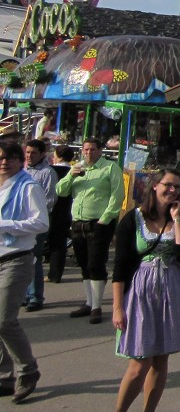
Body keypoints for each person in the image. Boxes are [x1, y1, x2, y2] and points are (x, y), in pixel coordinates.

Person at [96, 169, 180, 412]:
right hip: (140, 292)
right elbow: (120, 266)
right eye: (168, 185)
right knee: (139, 363)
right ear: (154, 186)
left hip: (172, 291)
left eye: (177, 187)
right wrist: (117, 307)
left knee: (161, 359)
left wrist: (176, 218)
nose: (172, 191)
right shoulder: (133, 218)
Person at [55, 138, 125, 324]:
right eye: (85, 150)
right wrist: (70, 175)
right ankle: (89, 302)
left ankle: (97, 306)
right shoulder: (77, 169)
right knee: (84, 263)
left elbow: (117, 195)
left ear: (100, 150)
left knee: (96, 263)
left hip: (99, 222)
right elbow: (61, 191)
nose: (88, 153)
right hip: (78, 222)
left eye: (93, 150)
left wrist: (105, 218)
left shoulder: (110, 168)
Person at [0, 141, 49, 403]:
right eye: (0, 157)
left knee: (4, 320)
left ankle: (28, 370)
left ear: (21, 161)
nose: (4, 162)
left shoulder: (29, 186)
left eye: (10, 158)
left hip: (15, 259)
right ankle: (5, 376)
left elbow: (41, 223)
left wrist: (5, 225)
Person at [21, 140, 56, 312]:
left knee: (34, 258)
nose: (29, 156)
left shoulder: (47, 172)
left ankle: (35, 296)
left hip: (37, 220)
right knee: (22, 258)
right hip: (22, 221)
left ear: (42, 154)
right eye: (27, 152)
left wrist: (33, 209)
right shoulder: (23, 171)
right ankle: (25, 294)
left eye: (33, 153)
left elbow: (50, 200)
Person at [46, 145, 74, 283]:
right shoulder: (73, 171)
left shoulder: (51, 170)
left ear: (58, 156)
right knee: (60, 243)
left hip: (52, 210)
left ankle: (51, 273)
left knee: (51, 243)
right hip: (67, 210)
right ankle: (56, 273)